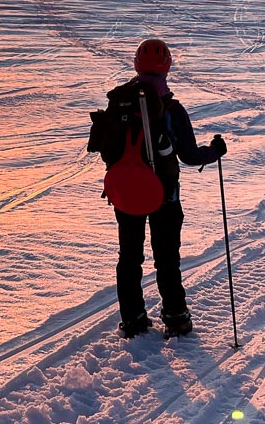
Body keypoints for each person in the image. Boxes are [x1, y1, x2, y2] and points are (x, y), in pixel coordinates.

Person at [89, 38, 227, 339]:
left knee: (129, 258)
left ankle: (133, 320)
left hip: (124, 193)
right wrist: (215, 151)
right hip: (164, 194)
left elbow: (103, 147)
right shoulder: (171, 108)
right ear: (167, 68)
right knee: (166, 258)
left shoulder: (118, 103)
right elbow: (189, 156)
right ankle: (176, 318)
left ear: (137, 65)